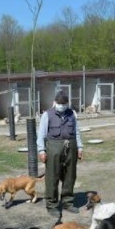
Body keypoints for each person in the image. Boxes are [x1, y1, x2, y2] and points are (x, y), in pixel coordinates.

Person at [37, 91, 84, 219]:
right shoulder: (47, 115)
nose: (62, 106)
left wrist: (80, 147)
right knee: (52, 177)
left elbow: (77, 132)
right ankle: (52, 205)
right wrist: (41, 151)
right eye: (59, 103)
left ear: (67, 103)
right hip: (53, 147)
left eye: (64, 104)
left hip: (71, 147)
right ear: (55, 103)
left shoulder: (72, 114)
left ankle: (67, 202)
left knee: (70, 176)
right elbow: (41, 134)